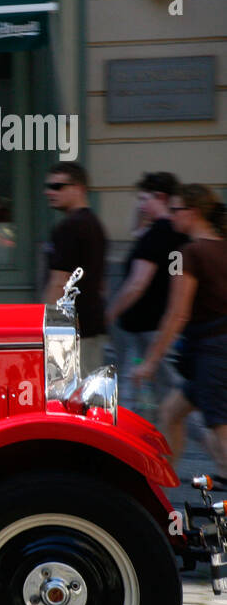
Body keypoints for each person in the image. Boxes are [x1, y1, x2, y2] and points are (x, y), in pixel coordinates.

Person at [133, 184, 227, 473]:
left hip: (212, 352)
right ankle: (164, 483)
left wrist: (149, 362)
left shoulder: (184, 254)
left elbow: (177, 314)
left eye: (176, 210)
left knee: (220, 428)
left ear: (193, 212)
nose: (171, 217)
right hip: (210, 351)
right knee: (171, 412)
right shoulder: (221, 246)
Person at [104, 173, 188, 414]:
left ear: (160, 197)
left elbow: (136, 284)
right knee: (163, 392)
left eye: (143, 199)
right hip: (160, 325)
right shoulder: (176, 233)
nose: (140, 206)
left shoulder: (156, 236)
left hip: (143, 327)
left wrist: (110, 313)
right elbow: (175, 274)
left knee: (147, 393)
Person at [42, 163, 108, 373]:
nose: (49, 192)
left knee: (69, 396)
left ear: (78, 188)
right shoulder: (94, 223)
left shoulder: (69, 227)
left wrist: (43, 326)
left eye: (58, 186)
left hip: (69, 330)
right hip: (88, 325)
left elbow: (59, 282)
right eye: (48, 186)